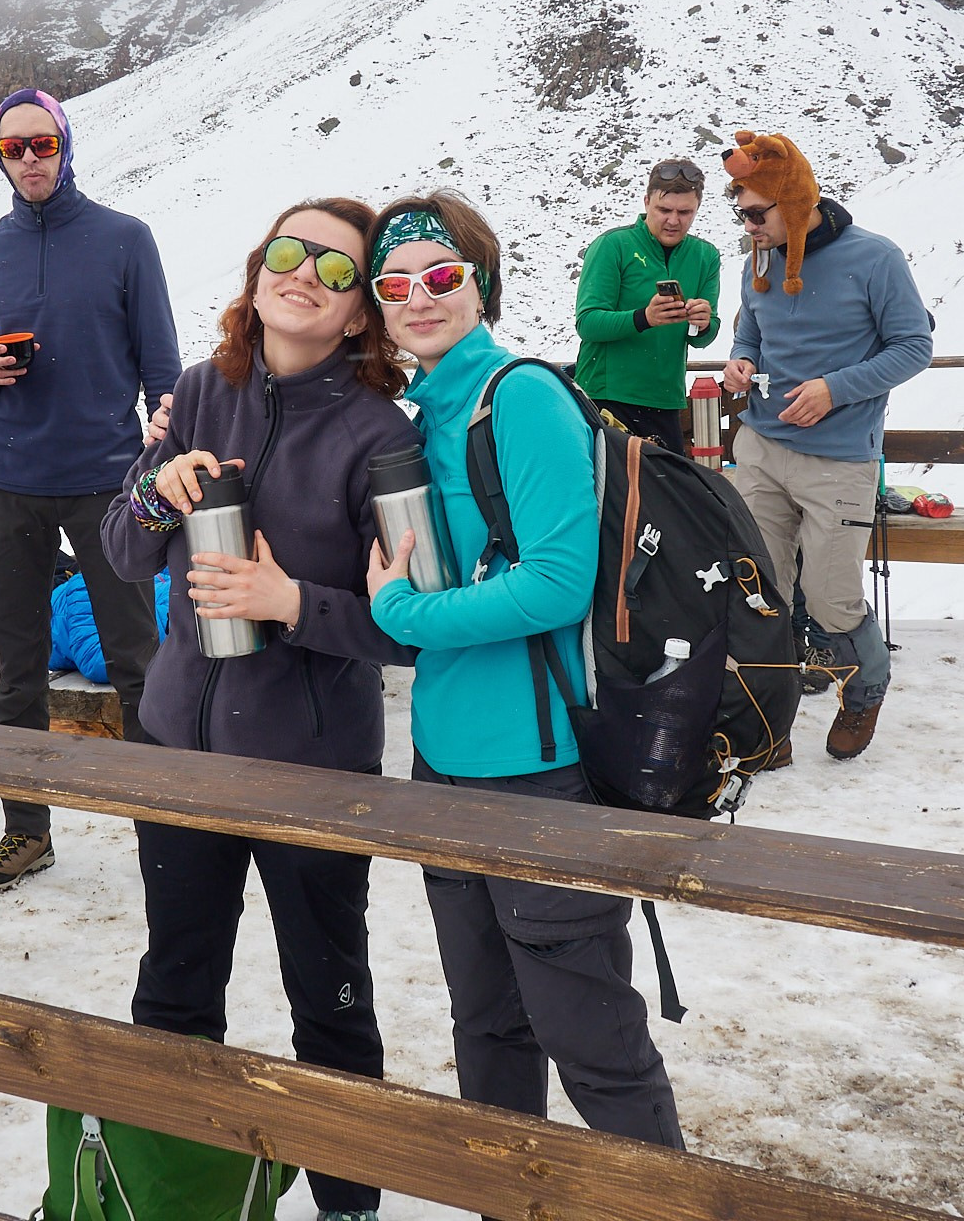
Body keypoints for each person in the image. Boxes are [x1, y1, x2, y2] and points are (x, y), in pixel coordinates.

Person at [101, 199, 418, 1221]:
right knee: (173, 990)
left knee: (329, 1003)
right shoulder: (202, 390)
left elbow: (414, 629)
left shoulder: (379, 436)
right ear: (256, 270)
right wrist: (158, 493)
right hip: (177, 747)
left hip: (310, 769)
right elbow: (123, 549)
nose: (304, 275)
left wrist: (291, 604)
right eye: (288, 252)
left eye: (336, 270)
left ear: (360, 314)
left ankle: (347, 1207)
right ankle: (173, 1197)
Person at [362, 190, 684, 1157]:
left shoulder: (521, 396)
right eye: (394, 285)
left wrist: (403, 614)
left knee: (592, 1042)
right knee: (487, 1026)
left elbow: (556, 581)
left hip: (541, 771)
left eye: (442, 275)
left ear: (482, 286)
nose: (420, 298)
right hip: (445, 761)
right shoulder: (421, 415)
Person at [0, 88, 179, 893]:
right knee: (15, 671)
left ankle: (165, 828)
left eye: (42, 143)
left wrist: (164, 447)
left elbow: (162, 364)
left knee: (137, 663)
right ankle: (27, 831)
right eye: (13, 148)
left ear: (66, 145)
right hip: (8, 482)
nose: (29, 159)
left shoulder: (125, 239)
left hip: (106, 483)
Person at [718, 130, 933, 760]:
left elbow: (914, 347)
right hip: (761, 447)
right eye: (741, 215)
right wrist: (740, 360)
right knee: (760, 592)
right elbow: (751, 331)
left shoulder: (875, 258)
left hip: (838, 459)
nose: (748, 227)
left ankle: (864, 690)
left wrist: (834, 390)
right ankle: (768, 726)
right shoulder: (758, 259)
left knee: (833, 601)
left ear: (793, 202)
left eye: (756, 214)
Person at [572, 158, 722, 453]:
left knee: (667, 484)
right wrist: (644, 318)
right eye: (664, 210)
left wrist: (703, 323)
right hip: (607, 396)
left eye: (685, 212)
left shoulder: (706, 256)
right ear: (646, 202)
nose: (673, 221)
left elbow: (703, 337)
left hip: (665, 400)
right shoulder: (613, 245)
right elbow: (587, 323)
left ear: (697, 209)